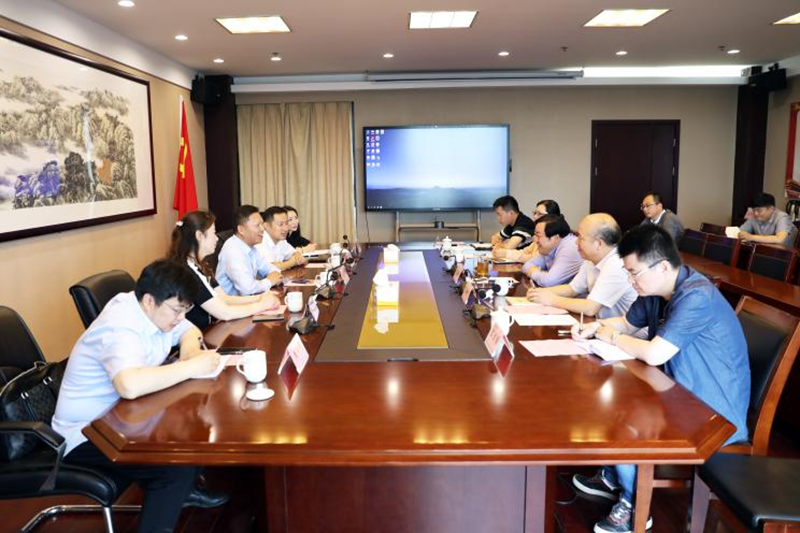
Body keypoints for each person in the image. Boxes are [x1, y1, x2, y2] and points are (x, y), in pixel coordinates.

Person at [571, 224, 750, 533]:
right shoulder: (655, 290)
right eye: (627, 272)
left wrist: (611, 337)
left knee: (626, 413)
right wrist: (595, 327)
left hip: (713, 413)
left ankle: (635, 507)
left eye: (634, 273)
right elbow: (627, 323)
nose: (630, 281)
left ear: (663, 266)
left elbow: (654, 354)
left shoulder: (697, 296)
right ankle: (616, 475)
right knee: (609, 395)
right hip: (679, 392)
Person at [52, 260, 229, 532]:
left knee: (192, 430)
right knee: (174, 467)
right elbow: (129, 385)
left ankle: (182, 493)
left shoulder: (154, 309)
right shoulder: (120, 326)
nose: (181, 316)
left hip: (127, 415)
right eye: (177, 310)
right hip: (89, 432)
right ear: (149, 301)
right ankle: (175, 494)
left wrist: (190, 350)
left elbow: (189, 330)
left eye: (186, 309)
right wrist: (191, 366)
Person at [169, 210, 281, 328]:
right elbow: (224, 313)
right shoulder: (187, 271)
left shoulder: (201, 265)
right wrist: (262, 305)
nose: (217, 239)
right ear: (199, 236)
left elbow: (223, 298)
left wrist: (259, 298)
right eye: (213, 233)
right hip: (197, 333)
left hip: (210, 328)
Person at [527, 213, 637, 318]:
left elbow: (590, 308)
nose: (576, 242)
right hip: (603, 325)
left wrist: (552, 299)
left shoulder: (616, 264)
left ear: (599, 243)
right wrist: (541, 293)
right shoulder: (591, 260)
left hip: (624, 330)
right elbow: (572, 289)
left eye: (580, 237)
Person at [216, 205, 283, 296]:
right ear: (241, 230)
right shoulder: (233, 250)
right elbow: (247, 289)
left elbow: (269, 268)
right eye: (257, 225)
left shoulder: (250, 247)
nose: (262, 229)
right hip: (230, 303)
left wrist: (275, 276)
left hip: (247, 300)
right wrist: (269, 281)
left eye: (262, 224)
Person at [521, 214, 583, 287]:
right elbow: (527, 265)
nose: (535, 240)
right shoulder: (549, 248)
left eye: (538, 236)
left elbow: (549, 281)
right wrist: (537, 273)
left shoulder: (570, 248)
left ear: (555, 238)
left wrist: (533, 272)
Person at [494, 199, 561, 261]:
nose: (535, 217)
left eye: (540, 214)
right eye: (535, 213)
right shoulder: (538, 234)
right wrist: (505, 251)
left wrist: (506, 253)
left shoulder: (553, 236)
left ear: (552, 217)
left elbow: (536, 258)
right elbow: (526, 251)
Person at [256, 206, 308, 271]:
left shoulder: (281, 240)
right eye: (280, 224)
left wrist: (284, 264)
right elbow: (270, 268)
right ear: (266, 226)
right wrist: (291, 262)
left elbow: (296, 254)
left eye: (286, 223)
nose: (286, 229)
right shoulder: (260, 241)